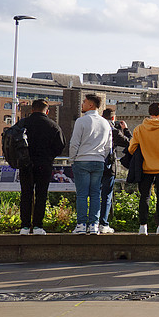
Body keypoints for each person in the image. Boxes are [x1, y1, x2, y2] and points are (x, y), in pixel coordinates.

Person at [15, 99, 66, 235]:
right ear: (47, 111)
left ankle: (24, 227)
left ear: (32, 110)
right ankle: (38, 226)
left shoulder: (22, 123)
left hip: (25, 164)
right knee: (41, 194)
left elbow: (12, 140)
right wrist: (49, 157)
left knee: (26, 194)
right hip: (44, 164)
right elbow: (60, 147)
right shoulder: (53, 126)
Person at [128, 101, 159, 235]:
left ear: (149, 113)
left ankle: (143, 226)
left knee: (144, 197)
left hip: (145, 168)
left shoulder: (139, 129)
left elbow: (131, 148)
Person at [68, 94, 113, 235]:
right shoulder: (105, 123)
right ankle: (94, 225)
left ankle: (81, 225)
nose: (82, 104)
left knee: (82, 194)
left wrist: (72, 159)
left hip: (82, 160)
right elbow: (108, 147)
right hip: (99, 161)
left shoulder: (81, 122)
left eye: (85, 102)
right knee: (95, 194)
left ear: (91, 105)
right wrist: (101, 157)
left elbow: (74, 143)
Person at [99, 108, 132, 234]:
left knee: (94, 194)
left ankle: (91, 223)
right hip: (108, 167)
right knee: (106, 196)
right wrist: (125, 130)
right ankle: (103, 223)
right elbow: (130, 143)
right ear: (113, 118)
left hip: (93, 163)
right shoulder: (113, 130)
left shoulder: (97, 127)